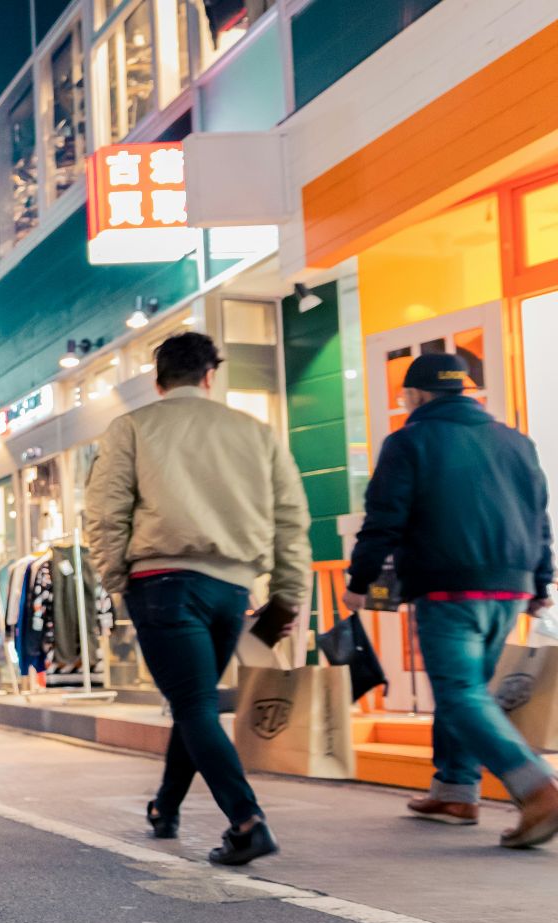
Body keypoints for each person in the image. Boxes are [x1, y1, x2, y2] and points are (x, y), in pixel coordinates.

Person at [85, 331, 310, 866]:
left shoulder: (132, 428)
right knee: (196, 701)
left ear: (157, 380)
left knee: (193, 704)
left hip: (161, 582)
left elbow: (105, 512)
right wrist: (287, 595)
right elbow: (291, 519)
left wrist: (117, 580)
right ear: (210, 376)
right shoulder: (256, 432)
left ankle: (247, 821)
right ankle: (165, 808)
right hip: (231, 588)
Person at [344, 352, 558, 848]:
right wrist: (541, 583)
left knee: (459, 692)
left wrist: (360, 580)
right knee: (467, 690)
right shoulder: (515, 441)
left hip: (449, 585)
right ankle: (456, 791)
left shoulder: (410, 440)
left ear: (416, 395)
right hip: (510, 586)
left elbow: (384, 518)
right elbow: (539, 519)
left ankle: (536, 787)